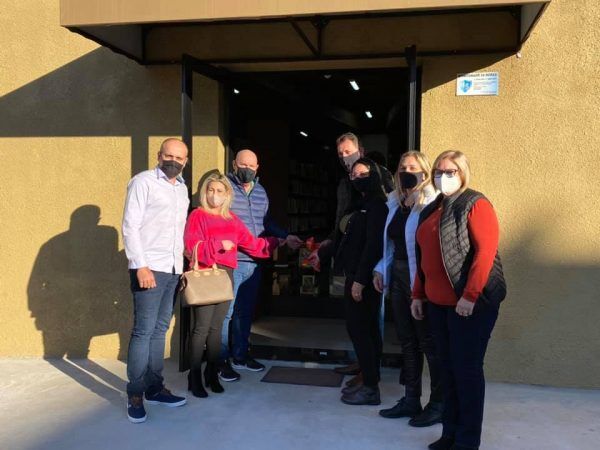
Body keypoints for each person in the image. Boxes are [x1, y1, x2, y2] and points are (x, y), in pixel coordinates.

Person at [411, 150, 506, 450]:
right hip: (438, 305)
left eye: (450, 171)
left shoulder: (475, 204)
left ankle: (466, 441)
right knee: (447, 372)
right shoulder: (431, 209)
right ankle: (449, 434)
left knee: (466, 372)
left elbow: (485, 253)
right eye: (439, 170)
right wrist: (417, 294)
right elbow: (423, 257)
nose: (443, 176)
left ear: (463, 173)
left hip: (470, 306)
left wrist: (470, 295)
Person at [183, 173, 281, 397]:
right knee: (201, 329)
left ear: (227, 195)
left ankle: (211, 372)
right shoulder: (198, 215)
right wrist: (220, 245)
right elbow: (190, 246)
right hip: (206, 274)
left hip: (226, 274)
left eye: (219, 191)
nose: (214, 195)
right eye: (211, 190)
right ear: (205, 192)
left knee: (217, 329)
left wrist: (278, 241)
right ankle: (194, 375)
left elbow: (253, 244)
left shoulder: (232, 219)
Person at [309, 132, 393, 380]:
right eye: (341, 154)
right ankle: (362, 366)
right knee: (356, 323)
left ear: (361, 150)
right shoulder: (347, 185)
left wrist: (373, 269)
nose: (345, 157)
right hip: (352, 262)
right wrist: (327, 247)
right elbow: (343, 223)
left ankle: (369, 372)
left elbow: (380, 230)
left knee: (368, 322)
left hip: (370, 265)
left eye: (349, 151)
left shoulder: (379, 180)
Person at [218, 149, 303, 382]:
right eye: (242, 164)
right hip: (231, 262)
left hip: (253, 262)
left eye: (251, 166)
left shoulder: (260, 191)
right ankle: (221, 361)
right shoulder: (223, 188)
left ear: (257, 168)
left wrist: (286, 236)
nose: (246, 169)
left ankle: (240, 356)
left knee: (245, 313)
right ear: (234, 164)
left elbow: (266, 222)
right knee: (226, 314)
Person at [122, 138, 190, 423]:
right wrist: (141, 266)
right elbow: (130, 225)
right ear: (159, 155)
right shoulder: (143, 182)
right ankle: (135, 394)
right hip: (148, 268)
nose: (174, 160)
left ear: (185, 161)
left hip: (173, 269)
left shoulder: (183, 188)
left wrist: (183, 266)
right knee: (143, 331)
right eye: (169, 155)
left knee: (160, 330)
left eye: (180, 157)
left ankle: (154, 387)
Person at [373, 150, 443, 427]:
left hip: (421, 279)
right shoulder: (395, 201)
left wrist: (418, 205)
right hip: (399, 276)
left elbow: (428, 247)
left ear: (425, 172)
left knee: (428, 344)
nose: (407, 171)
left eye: (413, 167)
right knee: (407, 342)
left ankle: (438, 404)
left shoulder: (431, 202)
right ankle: (411, 399)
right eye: (403, 166)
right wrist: (381, 268)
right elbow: (393, 243)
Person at [328, 158, 388, 405]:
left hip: (363, 278)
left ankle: (371, 387)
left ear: (374, 175)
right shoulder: (358, 203)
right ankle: (369, 378)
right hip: (354, 274)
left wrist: (360, 280)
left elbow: (374, 246)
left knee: (361, 330)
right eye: (354, 175)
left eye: (363, 174)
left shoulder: (377, 205)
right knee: (364, 330)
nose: (358, 178)